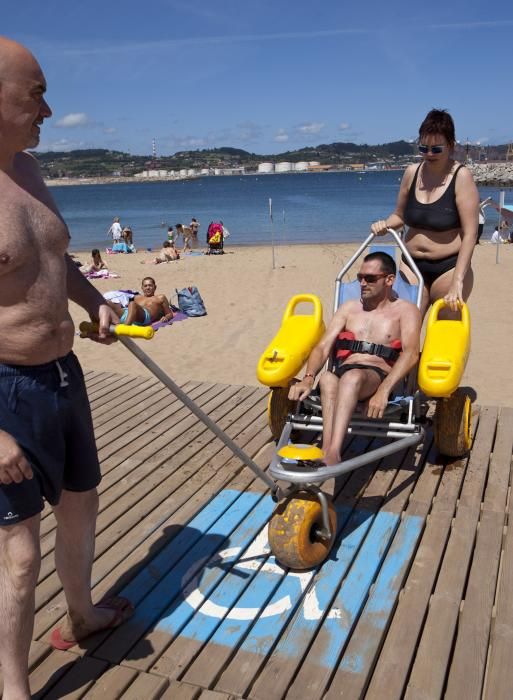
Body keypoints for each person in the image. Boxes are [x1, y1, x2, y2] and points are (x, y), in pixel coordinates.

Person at [0, 37, 133, 699]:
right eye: (36, 92)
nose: (47, 108)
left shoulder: (27, 169)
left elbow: (56, 263)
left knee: (81, 507)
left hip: (63, 376)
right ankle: (14, 688)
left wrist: (95, 303)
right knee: (17, 557)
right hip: (6, 393)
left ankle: (81, 614)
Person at [288, 252, 421, 466]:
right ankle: (327, 450)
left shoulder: (405, 311)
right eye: (360, 277)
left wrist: (383, 391)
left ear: (389, 279)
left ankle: (333, 453)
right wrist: (308, 377)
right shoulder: (349, 308)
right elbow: (323, 347)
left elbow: (411, 353)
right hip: (346, 372)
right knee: (327, 380)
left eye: (370, 278)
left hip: (375, 377)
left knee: (351, 378)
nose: (362, 283)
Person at [371, 109, 479, 316]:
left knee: (443, 336)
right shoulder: (411, 173)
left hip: (448, 267)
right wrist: (385, 224)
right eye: (424, 148)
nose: (429, 154)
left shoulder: (461, 176)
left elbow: (470, 234)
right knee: (402, 333)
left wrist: (458, 281)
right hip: (411, 265)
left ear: (451, 146)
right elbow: (399, 216)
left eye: (436, 149)